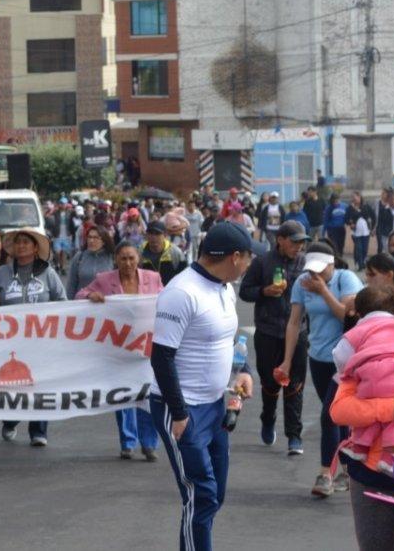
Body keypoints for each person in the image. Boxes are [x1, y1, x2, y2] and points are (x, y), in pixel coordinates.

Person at [150, 222, 255, 551]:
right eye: (249, 258)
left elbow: (230, 337)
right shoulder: (182, 291)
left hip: (215, 405)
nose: (249, 265)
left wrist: (243, 369)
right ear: (235, 257)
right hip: (180, 409)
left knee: (215, 494)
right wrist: (179, 414)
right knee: (201, 494)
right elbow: (161, 358)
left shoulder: (225, 287)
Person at [276, 241, 362, 497]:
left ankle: (326, 473)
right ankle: (347, 468)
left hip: (345, 359)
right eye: (311, 270)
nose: (314, 275)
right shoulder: (303, 281)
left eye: (320, 270)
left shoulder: (346, 279)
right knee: (340, 415)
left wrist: (323, 290)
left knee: (329, 415)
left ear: (332, 263)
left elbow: (346, 316)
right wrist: (287, 360)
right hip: (318, 355)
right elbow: (294, 323)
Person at [329, 285, 394, 551]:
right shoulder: (361, 364)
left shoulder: (356, 348)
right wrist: (390, 407)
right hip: (373, 477)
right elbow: (340, 411)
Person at [77, 242, 164, 460]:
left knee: (147, 393)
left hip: (146, 345)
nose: (127, 263)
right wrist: (91, 296)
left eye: (131, 258)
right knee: (123, 393)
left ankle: (149, 444)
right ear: (116, 259)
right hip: (118, 346)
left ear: (139, 259)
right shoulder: (105, 279)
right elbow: (79, 295)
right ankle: (128, 442)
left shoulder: (153, 278)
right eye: (123, 258)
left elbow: (166, 300)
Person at [0, 230, 66, 446]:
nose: (21, 246)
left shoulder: (48, 273)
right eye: (18, 243)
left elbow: (63, 300)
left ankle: (39, 431)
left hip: (41, 341)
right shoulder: (2, 273)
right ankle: (11, 420)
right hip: (9, 342)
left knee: (41, 383)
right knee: (13, 383)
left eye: (26, 242)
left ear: (35, 248)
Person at [239, 220, 309, 455]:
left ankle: (294, 436)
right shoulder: (262, 262)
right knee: (270, 382)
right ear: (280, 239)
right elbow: (245, 291)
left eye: (302, 242)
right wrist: (264, 291)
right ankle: (268, 419)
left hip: (297, 331)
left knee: (295, 383)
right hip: (268, 330)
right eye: (295, 241)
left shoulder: (305, 263)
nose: (299, 246)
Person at [66, 225, 115, 298]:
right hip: (82, 304)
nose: (91, 241)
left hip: (105, 305)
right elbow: (71, 285)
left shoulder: (112, 258)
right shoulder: (79, 257)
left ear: (104, 241)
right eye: (89, 237)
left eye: (96, 238)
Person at [141, 220, 187, 286]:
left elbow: (183, 276)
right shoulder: (139, 253)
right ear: (146, 235)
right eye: (151, 233)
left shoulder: (175, 252)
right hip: (148, 294)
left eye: (157, 233)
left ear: (165, 235)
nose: (153, 237)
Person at [348, 192, 375, 270]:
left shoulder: (366, 206)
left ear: (360, 197)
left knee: (365, 249)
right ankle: (360, 264)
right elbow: (347, 218)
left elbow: (373, 216)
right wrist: (351, 223)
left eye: (355, 197)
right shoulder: (350, 208)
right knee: (359, 248)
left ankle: (361, 261)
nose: (354, 199)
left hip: (365, 232)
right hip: (355, 233)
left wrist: (372, 228)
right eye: (352, 197)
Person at [377, 187, 394, 254]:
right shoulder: (385, 210)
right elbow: (381, 221)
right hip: (386, 234)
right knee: (386, 250)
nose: (393, 201)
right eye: (392, 200)